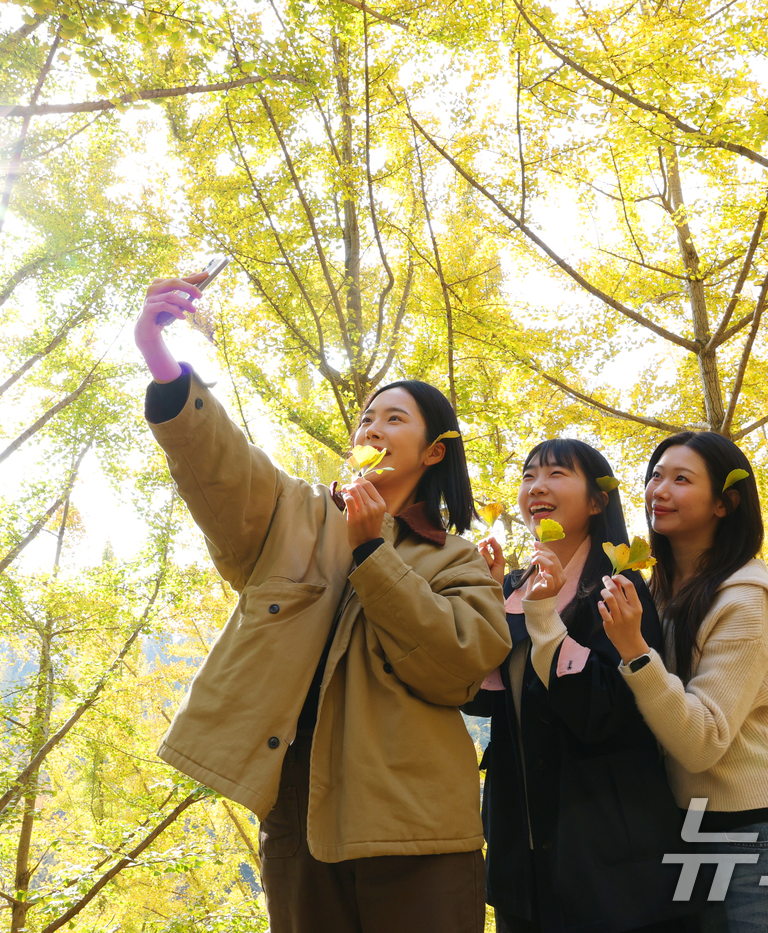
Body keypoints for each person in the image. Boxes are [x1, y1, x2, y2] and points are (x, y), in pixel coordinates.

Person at [133, 273, 511, 933]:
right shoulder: (296, 517)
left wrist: (373, 555)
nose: (374, 425)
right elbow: (224, 466)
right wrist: (162, 363)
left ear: (432, 451)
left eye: (396, 417)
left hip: (419, 833)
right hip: (298, 821)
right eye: (367, 415)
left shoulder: (458, 559)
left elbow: (460, 661)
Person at [599, 432, 768, 933]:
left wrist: (635, 651)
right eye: (655, 475)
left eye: (681, 479)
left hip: (767, 847)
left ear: (724, 502)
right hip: (692, 840)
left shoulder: (746, 603)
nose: (659, 490)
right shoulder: (659, 593)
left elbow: (702, 743)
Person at [464, 438, 702, 933]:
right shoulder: (511, 587)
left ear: (597, 501)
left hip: (612, 868)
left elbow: (601, 715)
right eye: (529, 476)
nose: (537, 487)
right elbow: (481, 709)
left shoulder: (621, 588)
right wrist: (485, 604)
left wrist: (545, 618)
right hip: (520, 864)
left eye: (556, 474)